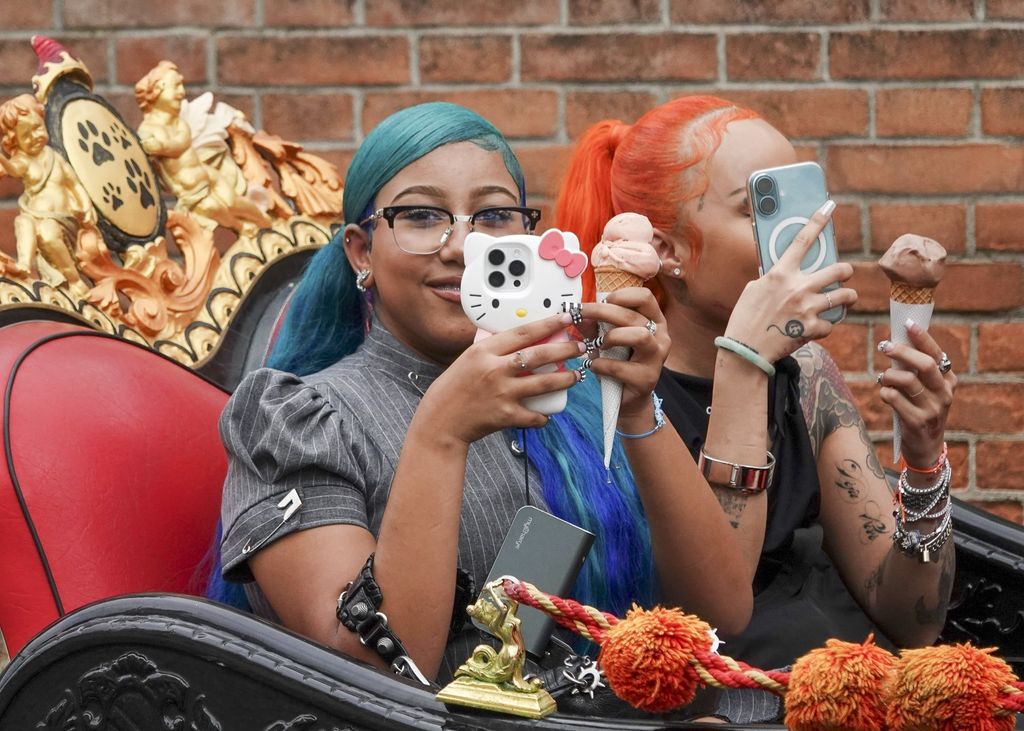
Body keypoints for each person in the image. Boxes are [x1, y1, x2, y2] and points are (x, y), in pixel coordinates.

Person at [215, 102, 750, 686]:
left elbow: (722, 612)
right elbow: (371, 678)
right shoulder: (296, 417)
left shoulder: (578, 389)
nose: (465, 246)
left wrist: (636, 406)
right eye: (422, 216)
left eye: (494, 216)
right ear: (362, 252)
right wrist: (442, 433)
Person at [555, 95, 957, 669]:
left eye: (802, 200)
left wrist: (922, 464)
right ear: (666, 250)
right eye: (758, 209)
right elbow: (713, 617)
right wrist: (743, 360)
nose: (798, 234)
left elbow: (911, 620)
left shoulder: (809, 374)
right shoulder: (610, 388)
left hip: (838, 677)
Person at [135, 61, 271, 233]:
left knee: (233, 202)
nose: (181, 93)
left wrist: (160, 146)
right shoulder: (147, 129)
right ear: (158, 90)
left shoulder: (179, 124)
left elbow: (180, 144)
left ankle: (265, 221)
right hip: (192, 192)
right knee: (213, 209)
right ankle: (241, 226)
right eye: (176, 87)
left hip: (208, 175)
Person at [0, 93, 92, 297]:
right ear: (14, 143)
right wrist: (3, 161)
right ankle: (24, 264)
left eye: (38, 128)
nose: (35, 137)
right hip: (35, 214)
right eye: (26, 136)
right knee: (23, 222)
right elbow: (14, 169)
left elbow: (73, 183)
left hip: (62, 220)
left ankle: (75, 281)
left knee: (48, 234)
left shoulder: (54, 157)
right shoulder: (23, 161)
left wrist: (85, 205)